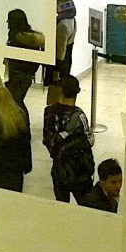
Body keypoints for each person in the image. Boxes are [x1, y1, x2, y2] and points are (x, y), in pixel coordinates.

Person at [43, 75, 94, 203]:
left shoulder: (49, 112)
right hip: (80, 171)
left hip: (59, 170)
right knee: (85, 205)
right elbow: (89, 140)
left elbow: (48, 140)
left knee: (61, 206)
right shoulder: (79, 116)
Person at [4, 8, 46, 109]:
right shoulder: (30, 38)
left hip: (20, 75)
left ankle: (24, 119)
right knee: (16, 101)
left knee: (16, 102)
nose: (7, 23)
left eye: (9, 20)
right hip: (23, 74)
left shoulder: (17, 37)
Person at [44, 0, 78, 105]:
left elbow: (61, 51)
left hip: (59, 64)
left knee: (56, 91)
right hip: (66, 61)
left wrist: (56, 70)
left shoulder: (63, 26)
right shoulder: (72, 21)